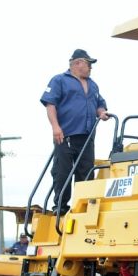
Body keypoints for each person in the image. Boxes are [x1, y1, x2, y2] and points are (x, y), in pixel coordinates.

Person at [40, 49, 110, 215]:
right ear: (78, 63)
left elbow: (99, 104)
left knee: (86, 172)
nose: (91, 68)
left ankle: (82, 206)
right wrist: (55, 127)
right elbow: (50, 104)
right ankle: (61, 207)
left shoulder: (93, 85)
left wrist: (101, 112)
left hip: (87, 136)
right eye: (88, 64)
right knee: (62, 171)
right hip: (65, 135)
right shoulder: (59, 80)